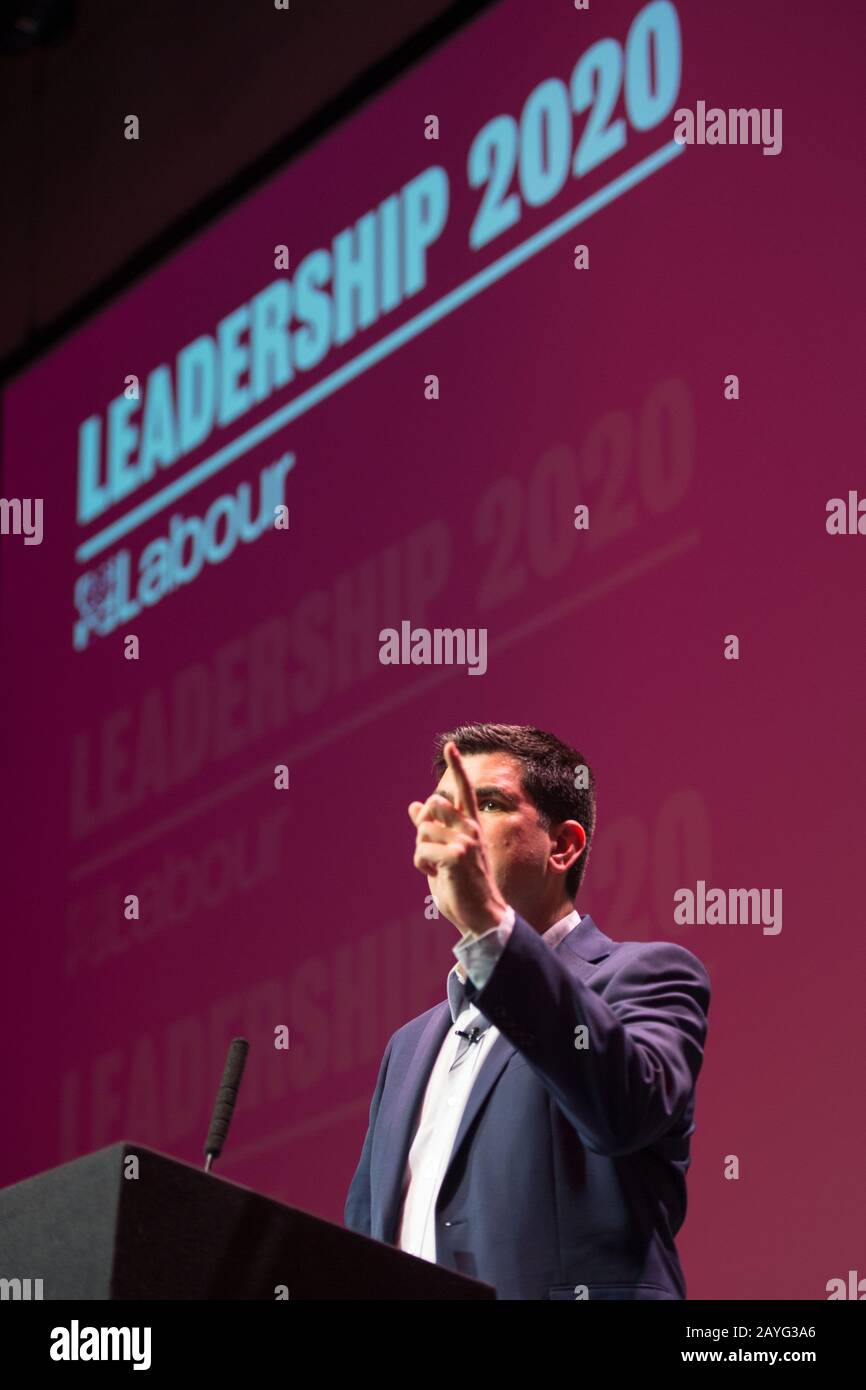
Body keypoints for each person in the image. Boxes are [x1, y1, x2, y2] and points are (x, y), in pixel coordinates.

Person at [344, 722, 711, 1300]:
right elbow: (362, 1245)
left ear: (563, 845)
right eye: (444, 809)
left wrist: (489, 927)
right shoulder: (407, 1048)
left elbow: (623, 1110)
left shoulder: (647, 975)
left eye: (485, 804)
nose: (456, 826)